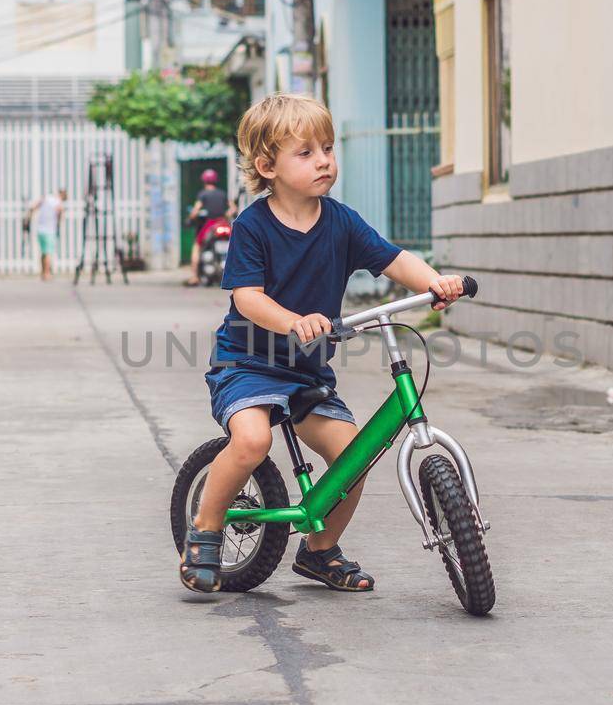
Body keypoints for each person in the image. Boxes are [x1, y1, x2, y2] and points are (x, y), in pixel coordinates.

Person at [179, 94, 466, 594]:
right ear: (267, 166)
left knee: (354, 459)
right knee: (251, 441)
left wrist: (435, 281)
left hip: (307, 373)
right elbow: (247, 298)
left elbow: (393, 259)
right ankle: (204, 529)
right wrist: (293, 321)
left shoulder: (340, 221)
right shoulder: (253, 225)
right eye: (306, 152)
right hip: (246, 363)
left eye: (329, 149)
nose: (325, 161)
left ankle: (319, 552)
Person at [184, 168, 235, 286]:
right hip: (223, 223)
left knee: (197, 246)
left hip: (210, 225)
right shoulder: (222, 193)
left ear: (204, 181)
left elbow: (196, 210)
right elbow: (233, 208)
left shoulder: (203, 194)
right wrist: (226, 215)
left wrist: (191, 217)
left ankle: (194, 276)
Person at [27, 187, 68, 281]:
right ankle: (47, 273)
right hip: (49, 230)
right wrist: (58, 222)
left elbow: (33, 207)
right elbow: (60, 214)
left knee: (43, 252)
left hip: (40, 229)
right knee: (48, 252)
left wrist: (29, 218)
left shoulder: (46, 198)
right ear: (62, 196)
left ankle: (43, 272)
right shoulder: (58, 203)